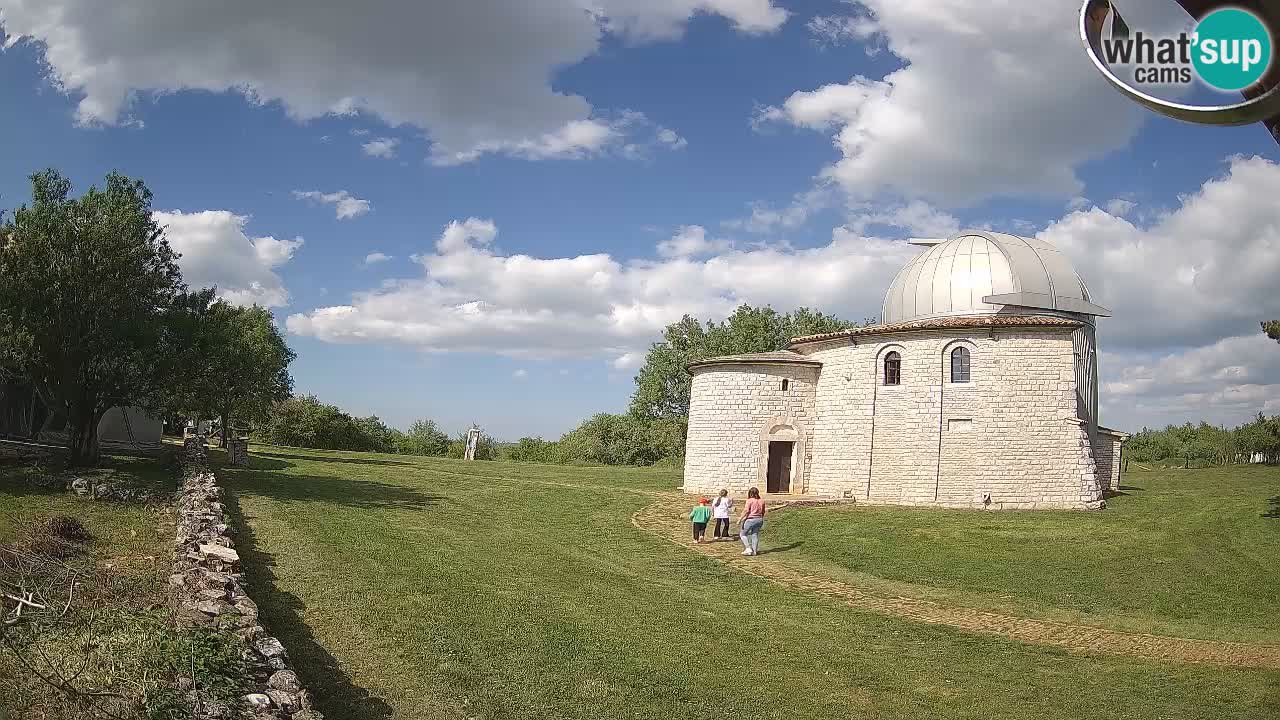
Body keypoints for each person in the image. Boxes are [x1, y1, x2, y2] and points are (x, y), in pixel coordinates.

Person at [739, 487, 765, 556]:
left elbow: (746, 510)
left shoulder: (749, 500)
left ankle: (748, 548)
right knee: (755, 535)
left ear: (750, 493)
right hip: (759, 519)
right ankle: (755, 551)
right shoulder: (762, 501)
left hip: (751, 519)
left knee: (743, 534)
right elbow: (763, 511)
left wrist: (740, 519)